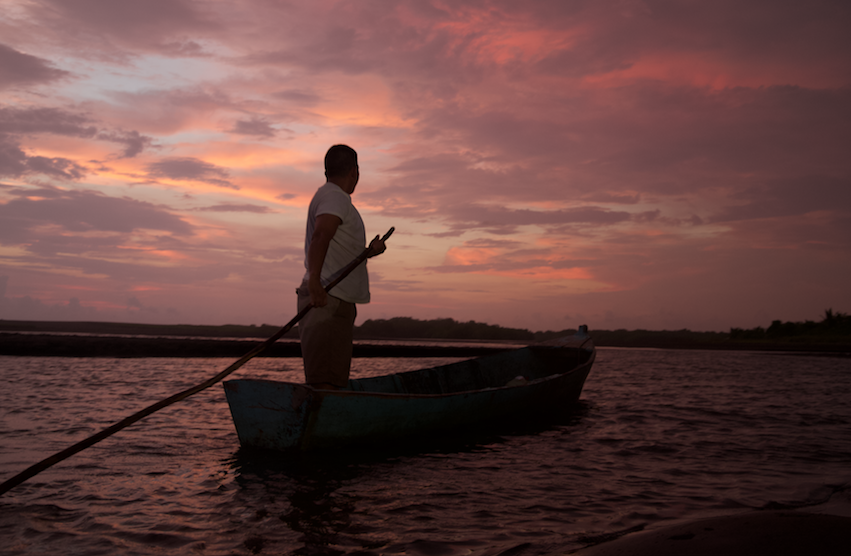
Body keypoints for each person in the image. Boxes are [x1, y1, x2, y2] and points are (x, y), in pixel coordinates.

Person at [297, 144, 386, 390]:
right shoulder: (335, 196)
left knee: (332, 380)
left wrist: (369, 252)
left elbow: (331, 242)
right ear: (354, 172)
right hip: (327, 299)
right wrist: (315, 283)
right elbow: (321, 236)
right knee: (325, 383)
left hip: (331, 298)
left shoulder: (331, 197)